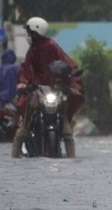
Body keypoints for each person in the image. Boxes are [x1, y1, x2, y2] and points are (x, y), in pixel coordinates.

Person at [11, 17, 84, 158]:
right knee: (23, 129)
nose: (29, 35)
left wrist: (72, 74)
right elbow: (25, 68)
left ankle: (72, 159)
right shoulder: (32, 50)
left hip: (55, 90)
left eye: (31, 32)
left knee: (67, 130)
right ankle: (14, 157)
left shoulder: (52, 46)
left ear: (36, 33)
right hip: (37, 90)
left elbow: (66, 61)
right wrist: (23, 82)